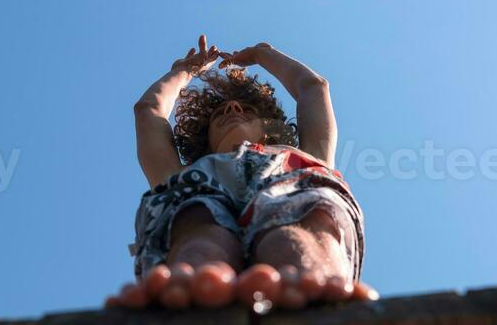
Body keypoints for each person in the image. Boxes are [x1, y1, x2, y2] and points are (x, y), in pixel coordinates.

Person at [106, 34, 379, 310]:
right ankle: (197, 277)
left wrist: (263, 54)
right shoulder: (183, 172)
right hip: (197, 205)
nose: (234, 108)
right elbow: (148, 110)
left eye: (246, 108)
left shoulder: (305, 154)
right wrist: (184, 71)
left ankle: (311, 270)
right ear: (205, 137)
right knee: (195, 221)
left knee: (297, 224)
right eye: (219, 113)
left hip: (294, 191)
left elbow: (314, 86)